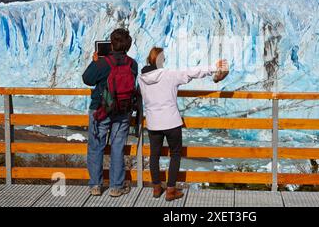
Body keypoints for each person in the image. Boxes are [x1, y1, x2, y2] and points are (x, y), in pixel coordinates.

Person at [139, 47, 228, 201]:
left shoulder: (142, 78)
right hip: (171, 122)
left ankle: (156, 188)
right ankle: (171, 190)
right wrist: (214, 67)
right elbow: (192, 72)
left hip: (153, 123)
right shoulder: (169, 75)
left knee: (154, 155)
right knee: (175, 154)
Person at [82, 28, 139, 197]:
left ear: (111, 44)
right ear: (128, 45)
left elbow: (87, 79)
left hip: (101, 110)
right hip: (122, 111)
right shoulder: (132, 64)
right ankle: (116, 187)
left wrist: (94, 61)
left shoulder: (102, 63)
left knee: (96, 147)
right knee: (117, 148)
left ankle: (95, 185)